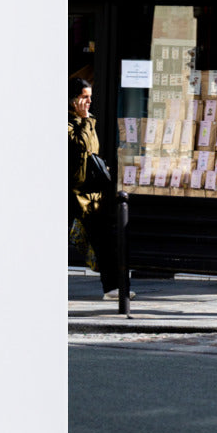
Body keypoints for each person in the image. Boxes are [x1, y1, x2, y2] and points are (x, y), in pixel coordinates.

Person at [68, 77, 132, 300]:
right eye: (84, 97)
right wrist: (85, 120)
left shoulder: (88, 120)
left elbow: (92, 150)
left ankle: (114, 288)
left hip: (89, 191)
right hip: (71, 191)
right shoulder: (67, 122)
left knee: (105, 240)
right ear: (73, 99)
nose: (88, 102)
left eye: (90, 97)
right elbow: (81, 146)